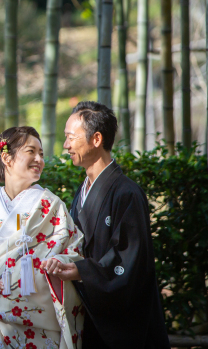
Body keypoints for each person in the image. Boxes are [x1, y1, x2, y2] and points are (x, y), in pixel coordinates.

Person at [40, 101, 170, 349]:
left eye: (70, 137)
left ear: (96, 139)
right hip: (89, 312)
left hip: (122, 326)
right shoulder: (83, 191)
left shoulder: (127, 193)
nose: (65, 145)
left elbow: (128, 261)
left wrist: (81, 271)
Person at [0, 126, 85, 349]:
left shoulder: (51, 206)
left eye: (41, 154)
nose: (38, 159)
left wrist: (60, 261)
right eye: (31, 151)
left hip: (41, 326)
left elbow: (75, 251)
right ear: (6, 157)